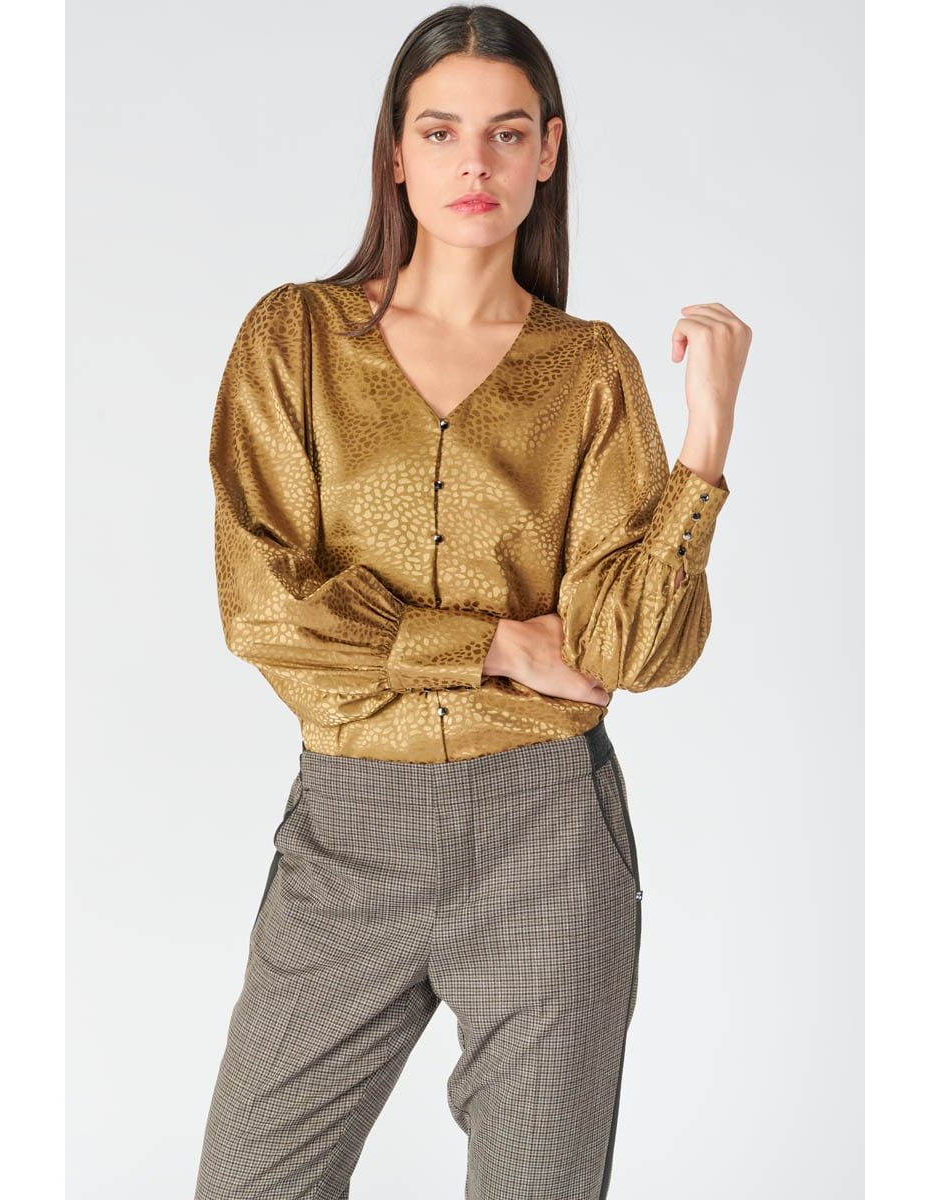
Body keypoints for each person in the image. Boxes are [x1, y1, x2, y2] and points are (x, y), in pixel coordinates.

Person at [194, 6, 750, 1198]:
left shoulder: (589, 369)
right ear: (395, 152)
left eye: (506, 133)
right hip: (348, 839)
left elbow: (626, 652)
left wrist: (703, 447)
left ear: (549, 150)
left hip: (547, 839)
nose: (475, 163)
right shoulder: (295, 340)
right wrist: (494, 643)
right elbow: (264, 606)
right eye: (441, 131)